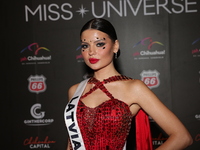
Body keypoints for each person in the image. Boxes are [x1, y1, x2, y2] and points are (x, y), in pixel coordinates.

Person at [64, 18, 193, 150]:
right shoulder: (75, 91)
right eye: (85, 46)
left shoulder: (134, 88)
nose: (91, 51)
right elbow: (72, 143)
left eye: (99, 44)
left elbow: (183, 137)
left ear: (115, 46)